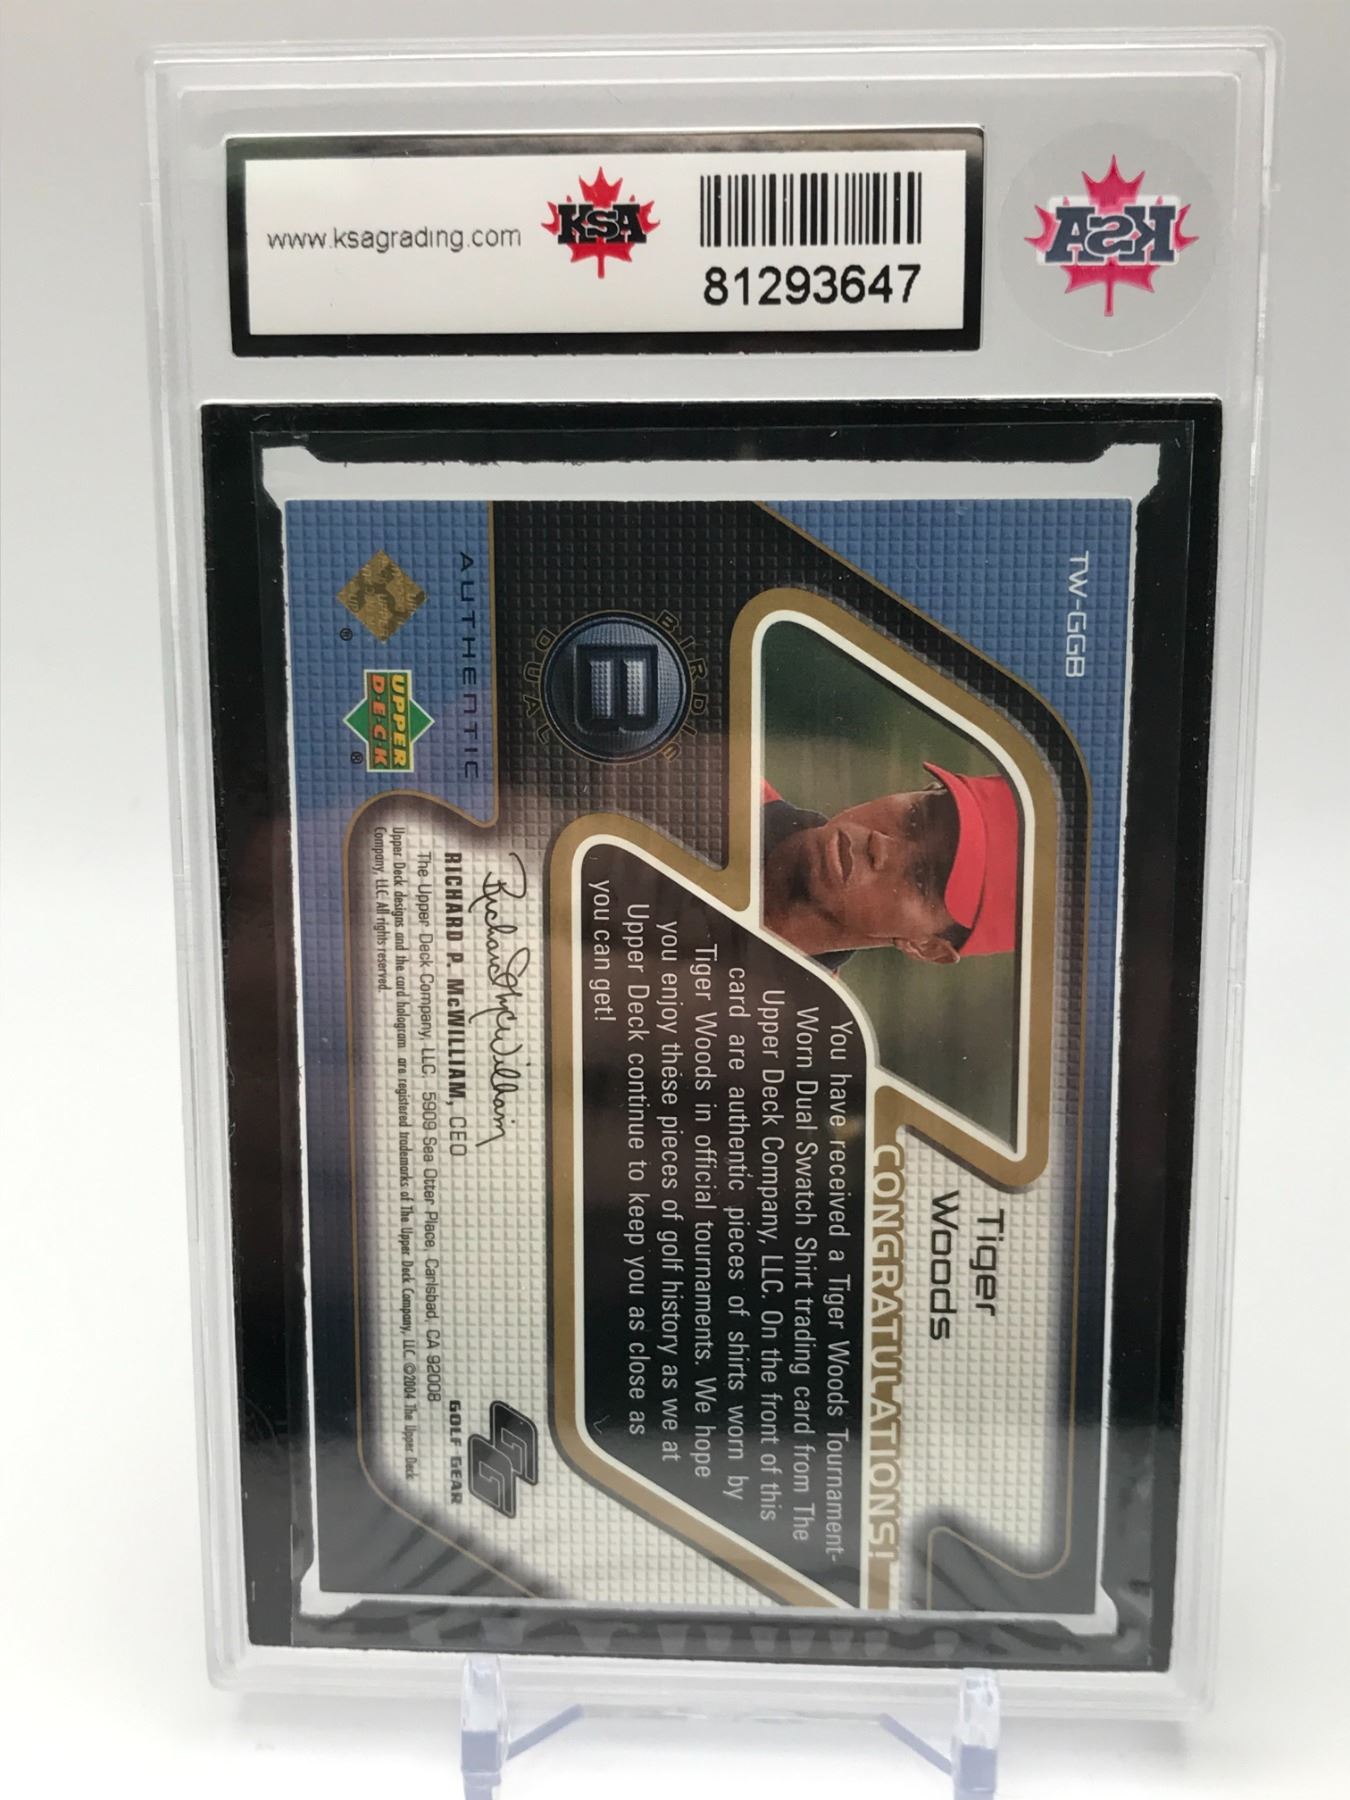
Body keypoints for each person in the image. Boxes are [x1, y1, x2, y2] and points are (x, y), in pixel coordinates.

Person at [760, 764, 1019, 971]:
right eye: (914, 818)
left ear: (928, 947)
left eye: (921, 878)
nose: (881, 847)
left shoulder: (801, 1018)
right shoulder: (735, 778)